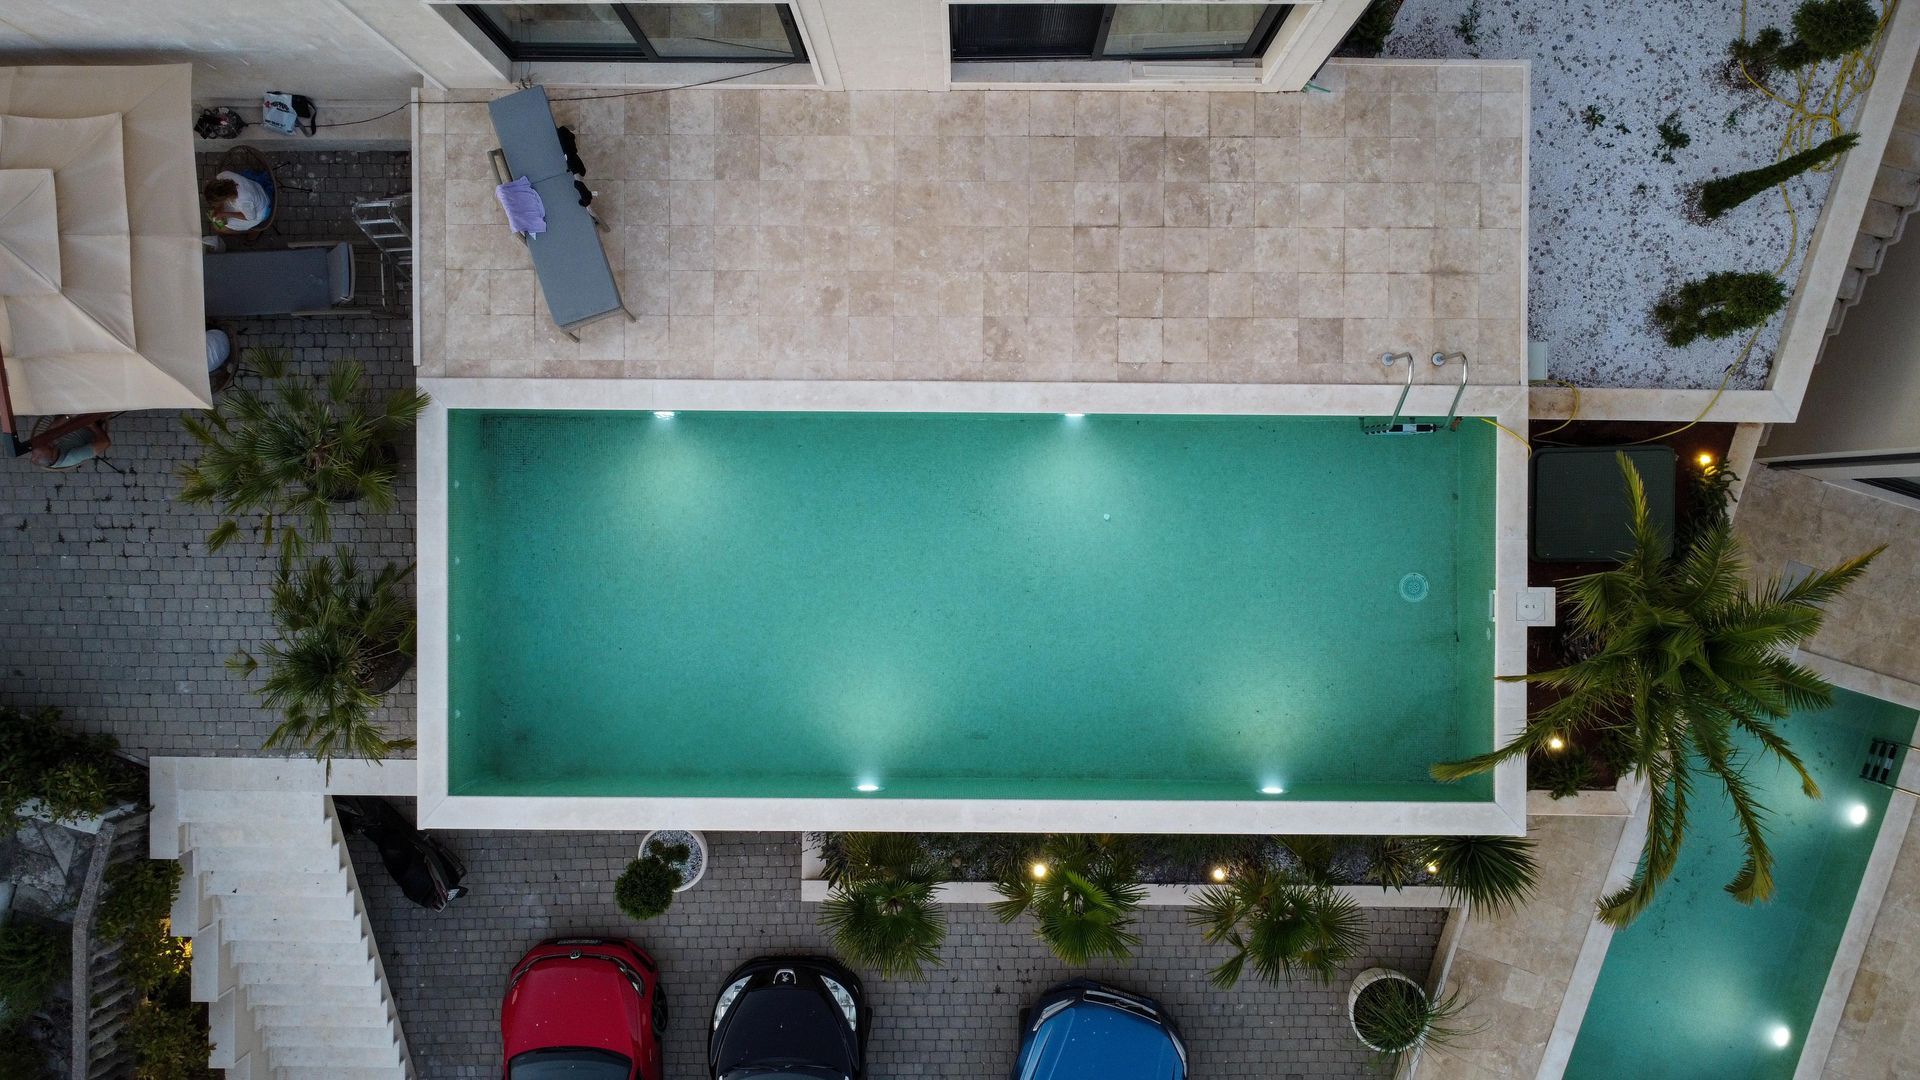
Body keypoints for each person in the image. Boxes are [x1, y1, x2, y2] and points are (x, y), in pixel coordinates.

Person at [203, 169, 271, 231]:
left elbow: (250, 217)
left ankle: (251, 235)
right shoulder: (222, 175)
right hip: (254, 189)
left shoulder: (244, 200)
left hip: (260, 210)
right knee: (223, 215)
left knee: (226, 225)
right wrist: (219, 209)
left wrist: (224, 214)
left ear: (225, 198)